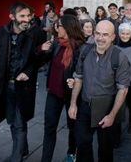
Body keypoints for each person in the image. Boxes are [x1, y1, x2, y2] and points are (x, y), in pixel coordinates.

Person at [0, 2, 45, 162]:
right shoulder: (2, 32)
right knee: (12, 119)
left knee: (19, 121)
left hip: (23, 87)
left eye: (28, 16)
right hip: (4, 85)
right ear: (12, 17)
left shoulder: (35, 34)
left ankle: (16, 157)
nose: (27, 19)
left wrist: (28, 72)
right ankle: (23, 149)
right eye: (22, 16)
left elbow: (40, 59)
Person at [68, 20, 130, 162]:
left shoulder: (119, 57)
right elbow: (79, 78)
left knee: (105, 149)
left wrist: (112, 115)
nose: (100, 38)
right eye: (98, 33)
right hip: (85, 105)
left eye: (105, 35)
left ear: (113, 37)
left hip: (106, 109)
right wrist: (73, 104)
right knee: (82, 144)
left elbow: (123, 90)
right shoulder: (85, 50)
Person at [39, 15, 85, 162]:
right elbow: (41, 62)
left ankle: (72, 153)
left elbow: (83, 71)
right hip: (53, 93)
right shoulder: (57, 44)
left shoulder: (80, 48)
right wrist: (41, 49)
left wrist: (75, 80)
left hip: (70, 95)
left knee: (73, 127)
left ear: (67, 28)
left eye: (59, 25)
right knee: (49, 127)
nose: (56, 28)